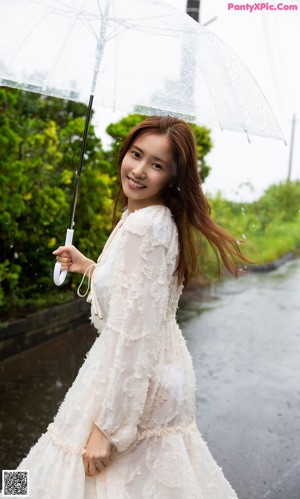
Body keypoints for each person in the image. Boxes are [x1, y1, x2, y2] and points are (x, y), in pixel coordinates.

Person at [3, 116, 251, 498]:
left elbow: (135, 334)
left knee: (65, 468)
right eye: (136, 155)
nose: (138, 170)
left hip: (131, 375)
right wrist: (88, 266)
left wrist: (110, 427)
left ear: (172, 177)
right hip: (151, 370)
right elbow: (134, 295)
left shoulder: (145, 227)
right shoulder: (149, 218)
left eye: (156, 164)